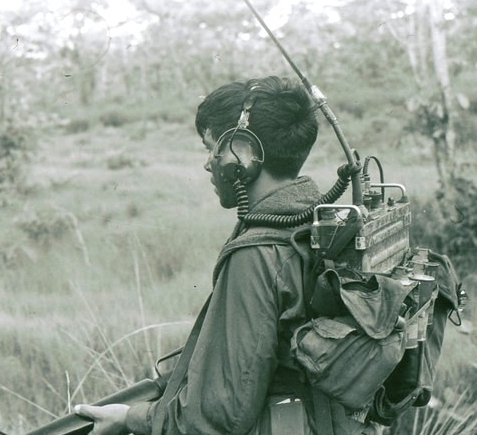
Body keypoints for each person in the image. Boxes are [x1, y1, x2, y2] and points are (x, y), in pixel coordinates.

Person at [74, 76, 375, 434]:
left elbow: (217, 417)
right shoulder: (321, 225)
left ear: (243, 154)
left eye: (211, 147)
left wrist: (130, 418)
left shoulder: (258, 254)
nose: (207, 164)